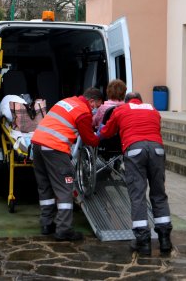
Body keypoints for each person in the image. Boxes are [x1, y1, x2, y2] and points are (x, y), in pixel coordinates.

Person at [99, 92, 172, 256]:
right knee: (159, 193)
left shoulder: (121, 109)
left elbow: (107, 131)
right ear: (141, 100)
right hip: (157, 149)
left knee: (138, 195)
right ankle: (165, 240)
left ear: (127, 101)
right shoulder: (153, 109)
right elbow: (155, 127)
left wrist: (97, 134)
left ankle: (143, 241)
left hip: (134, 150)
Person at [31, 87, 103, 241]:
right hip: (54, 148)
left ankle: (46, 224)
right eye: (96, 106)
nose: (95, 110)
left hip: (37, 144)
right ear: (91, 101)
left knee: (45, 187)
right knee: (64, 188)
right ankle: (64, 229)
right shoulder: (83, 112)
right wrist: (102, 133)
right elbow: (90, 140)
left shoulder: (67, 101)